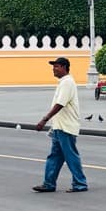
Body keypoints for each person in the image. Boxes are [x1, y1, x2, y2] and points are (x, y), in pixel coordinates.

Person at [33, 57, 88, 193]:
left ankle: (80, 183)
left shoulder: (67, 83)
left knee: (71, 156)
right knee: (55, 157)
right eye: (53, 67)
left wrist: (44, 119)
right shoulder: (64, 82)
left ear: (64, 67)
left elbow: (60, 104)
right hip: (59, 126)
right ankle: (49, 183)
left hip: (66, 127)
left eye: (56, 67)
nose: (54, 69)